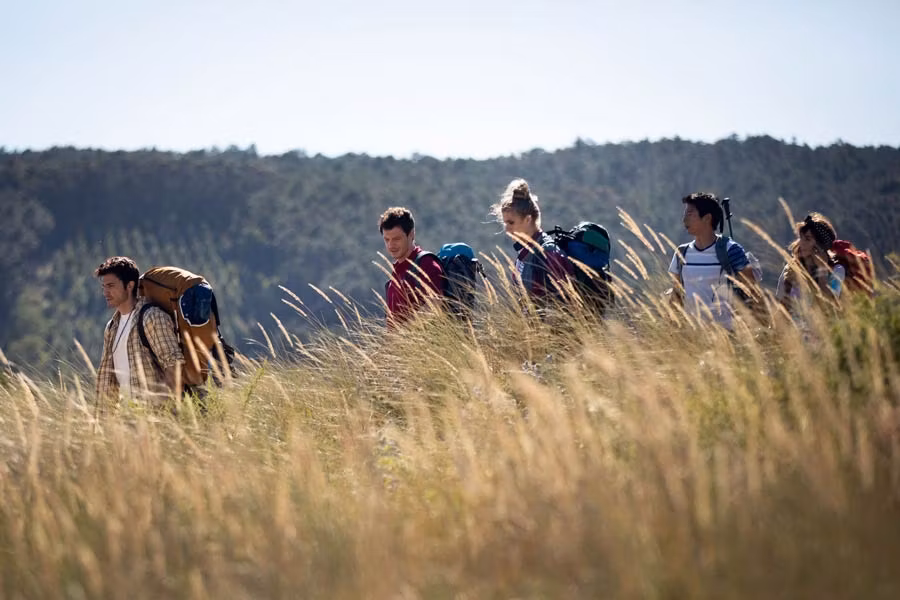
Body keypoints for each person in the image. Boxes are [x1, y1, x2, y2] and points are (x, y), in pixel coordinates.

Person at [94, 256, 184, 405]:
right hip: (129, 420)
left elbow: (174, 366)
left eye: (111, 286)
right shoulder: (112, 327)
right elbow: (107, 381)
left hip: (155, 420)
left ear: (129, 286)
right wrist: (103, 423)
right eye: (104, 287)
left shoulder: (152, 317)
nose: (105, 292)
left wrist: (164, 414)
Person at [668, 192, 757, 330]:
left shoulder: (730, 250)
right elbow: (676, 293)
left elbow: (752, 289)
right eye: (685, 213)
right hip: (692, 336)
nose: (684, 219)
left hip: (728, 335)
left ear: (707, 218)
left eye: (690, 213)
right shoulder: (681, 252)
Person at [490, 179, 573, 308]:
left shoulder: (547, 254)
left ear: (528, 219)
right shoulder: (525, 252)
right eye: (505, 223)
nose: (506, 229)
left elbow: (559, 309)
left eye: (511, 223)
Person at [380, 207, 445, 325]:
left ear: (411, 234)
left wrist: (403, 335)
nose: (391, 245)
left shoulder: (427, 265)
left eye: (396, 239)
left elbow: (436, 307)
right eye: (386, 239)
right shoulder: (395, 276)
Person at [775, 213, 845, 316]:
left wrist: (822, 270)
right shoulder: (790, 269)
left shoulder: (836, 271)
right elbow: (781, 309)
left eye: (807, 239)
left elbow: (827, 307)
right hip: (794, 330)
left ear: (820, 246)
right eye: (801, 238)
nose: (801, 243)